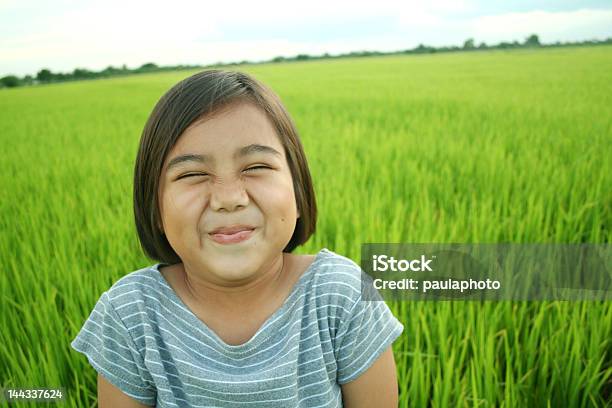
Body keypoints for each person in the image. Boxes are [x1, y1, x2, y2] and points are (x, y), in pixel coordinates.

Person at [71, 70, 404, 407]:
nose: (229, 198)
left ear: (298, 191)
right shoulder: (131, 314)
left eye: (256, 167)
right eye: (193, 174)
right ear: (154, 208)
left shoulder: (340, 295)